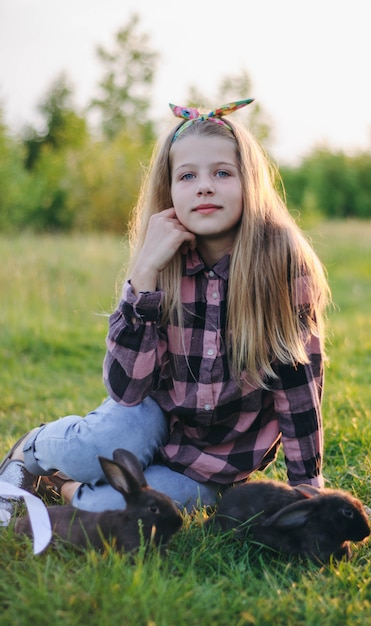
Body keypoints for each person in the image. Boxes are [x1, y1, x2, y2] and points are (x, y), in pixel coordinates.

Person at [0, 98, 330, 519]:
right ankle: (32, 449)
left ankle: (65, 486)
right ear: (169, 188)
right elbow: (126, 391)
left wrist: (307, 488)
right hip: (150, 417)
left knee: (112, 510)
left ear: (250, 182)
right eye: (187, 175)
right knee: (93, 448)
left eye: (222, 173)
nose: (204, 186)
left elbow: (298, 382)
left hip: (216, 459)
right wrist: (145, 273)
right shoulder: (159, 262)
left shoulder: (281, 261)